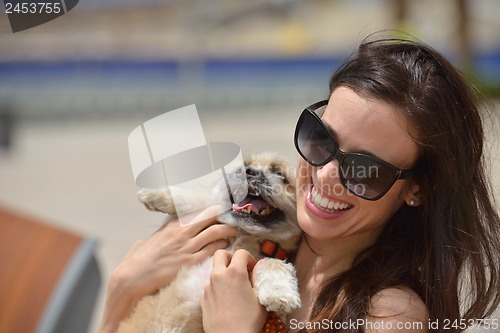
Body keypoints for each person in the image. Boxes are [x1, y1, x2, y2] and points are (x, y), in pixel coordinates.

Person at [98, 36, 500, 333]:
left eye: (365, 169)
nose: (325, 175)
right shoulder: (251, 238)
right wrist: (123, 291)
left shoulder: (387, 316)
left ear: (418, 188)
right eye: (320, 140)